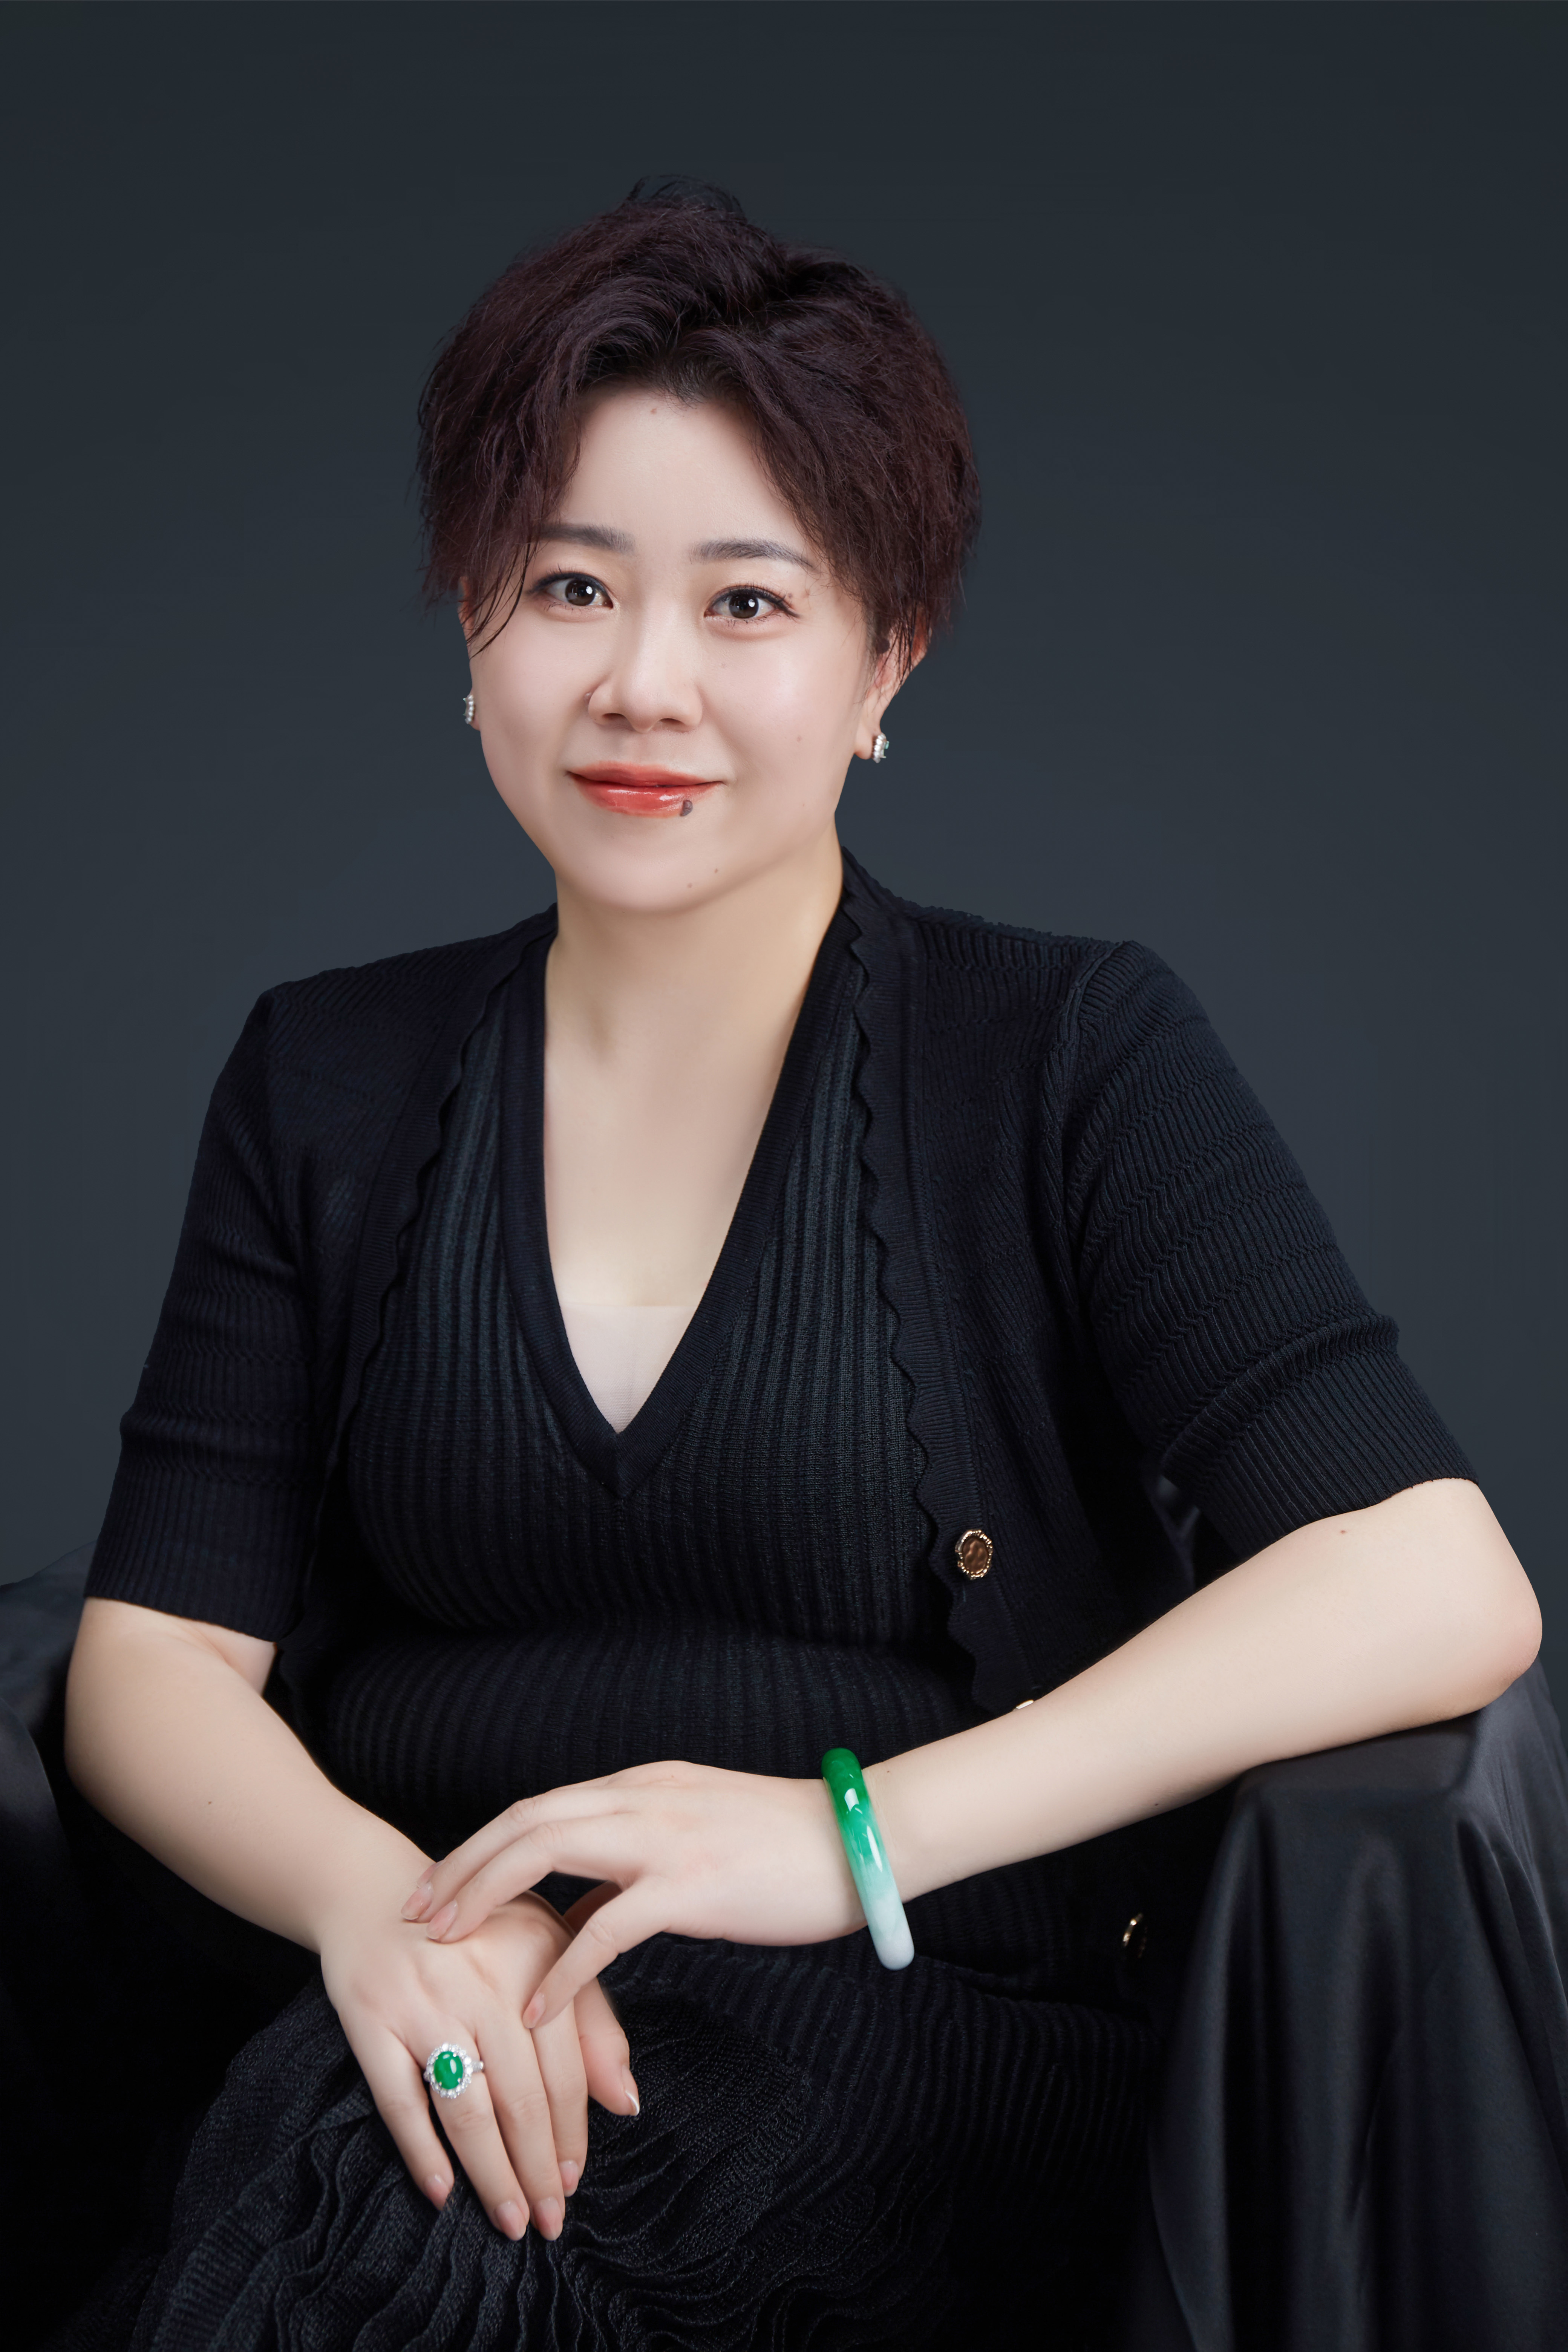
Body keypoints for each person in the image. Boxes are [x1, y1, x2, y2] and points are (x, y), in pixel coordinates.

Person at [60, 178, 1539, 2350]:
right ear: (469, 619)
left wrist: (847, 1838)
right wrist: (384, 1914)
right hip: (443, 2002)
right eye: (569, 583)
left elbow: (1436, 1576)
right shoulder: (325, 1076)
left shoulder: (1064, 1051)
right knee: (362, 2210)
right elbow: (154, 1656)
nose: (640, 682)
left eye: (746, 602)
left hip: (916, 2023)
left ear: (884, 661)